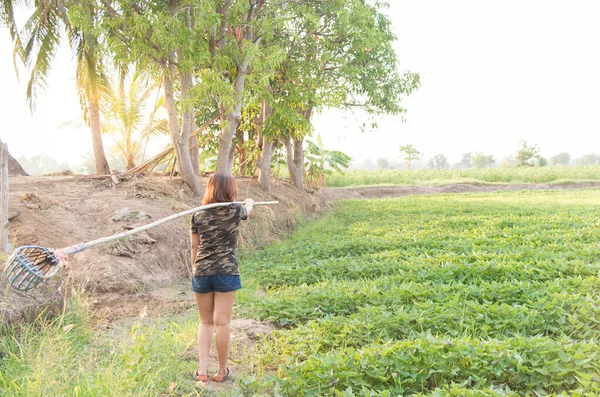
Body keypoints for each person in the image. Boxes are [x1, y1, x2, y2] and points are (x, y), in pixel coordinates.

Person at [189, 172, 254, 383]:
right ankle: (221, 371)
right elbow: (248, 211)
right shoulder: (236, 210)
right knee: (222, 323)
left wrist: (196, 267)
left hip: (202, 272)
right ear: (230, 190)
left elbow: (194, 246)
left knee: (205, 322)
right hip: (226, 271)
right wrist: (250, 202)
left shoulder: (198, 213)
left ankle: (201, 371)